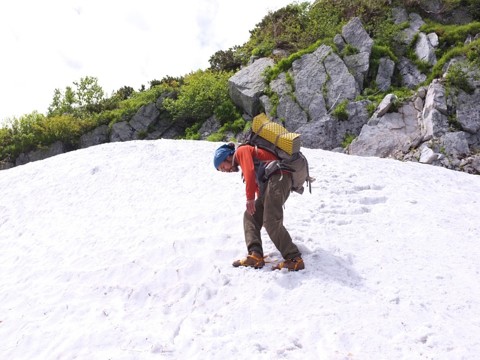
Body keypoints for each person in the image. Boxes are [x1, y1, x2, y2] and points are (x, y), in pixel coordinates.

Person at [214, 142, 304, 271]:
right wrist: (257, 205)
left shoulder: (241, 151)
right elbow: (256, 184)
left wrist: (250, 199)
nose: (226, 171)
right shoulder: (243, 157)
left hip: (279, 176)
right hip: (272, 181)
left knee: (271, 221)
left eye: (223, 166)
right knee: (250, 215)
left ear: (227, 157)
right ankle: (255, 255)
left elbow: (250, 172)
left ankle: (294, 259)